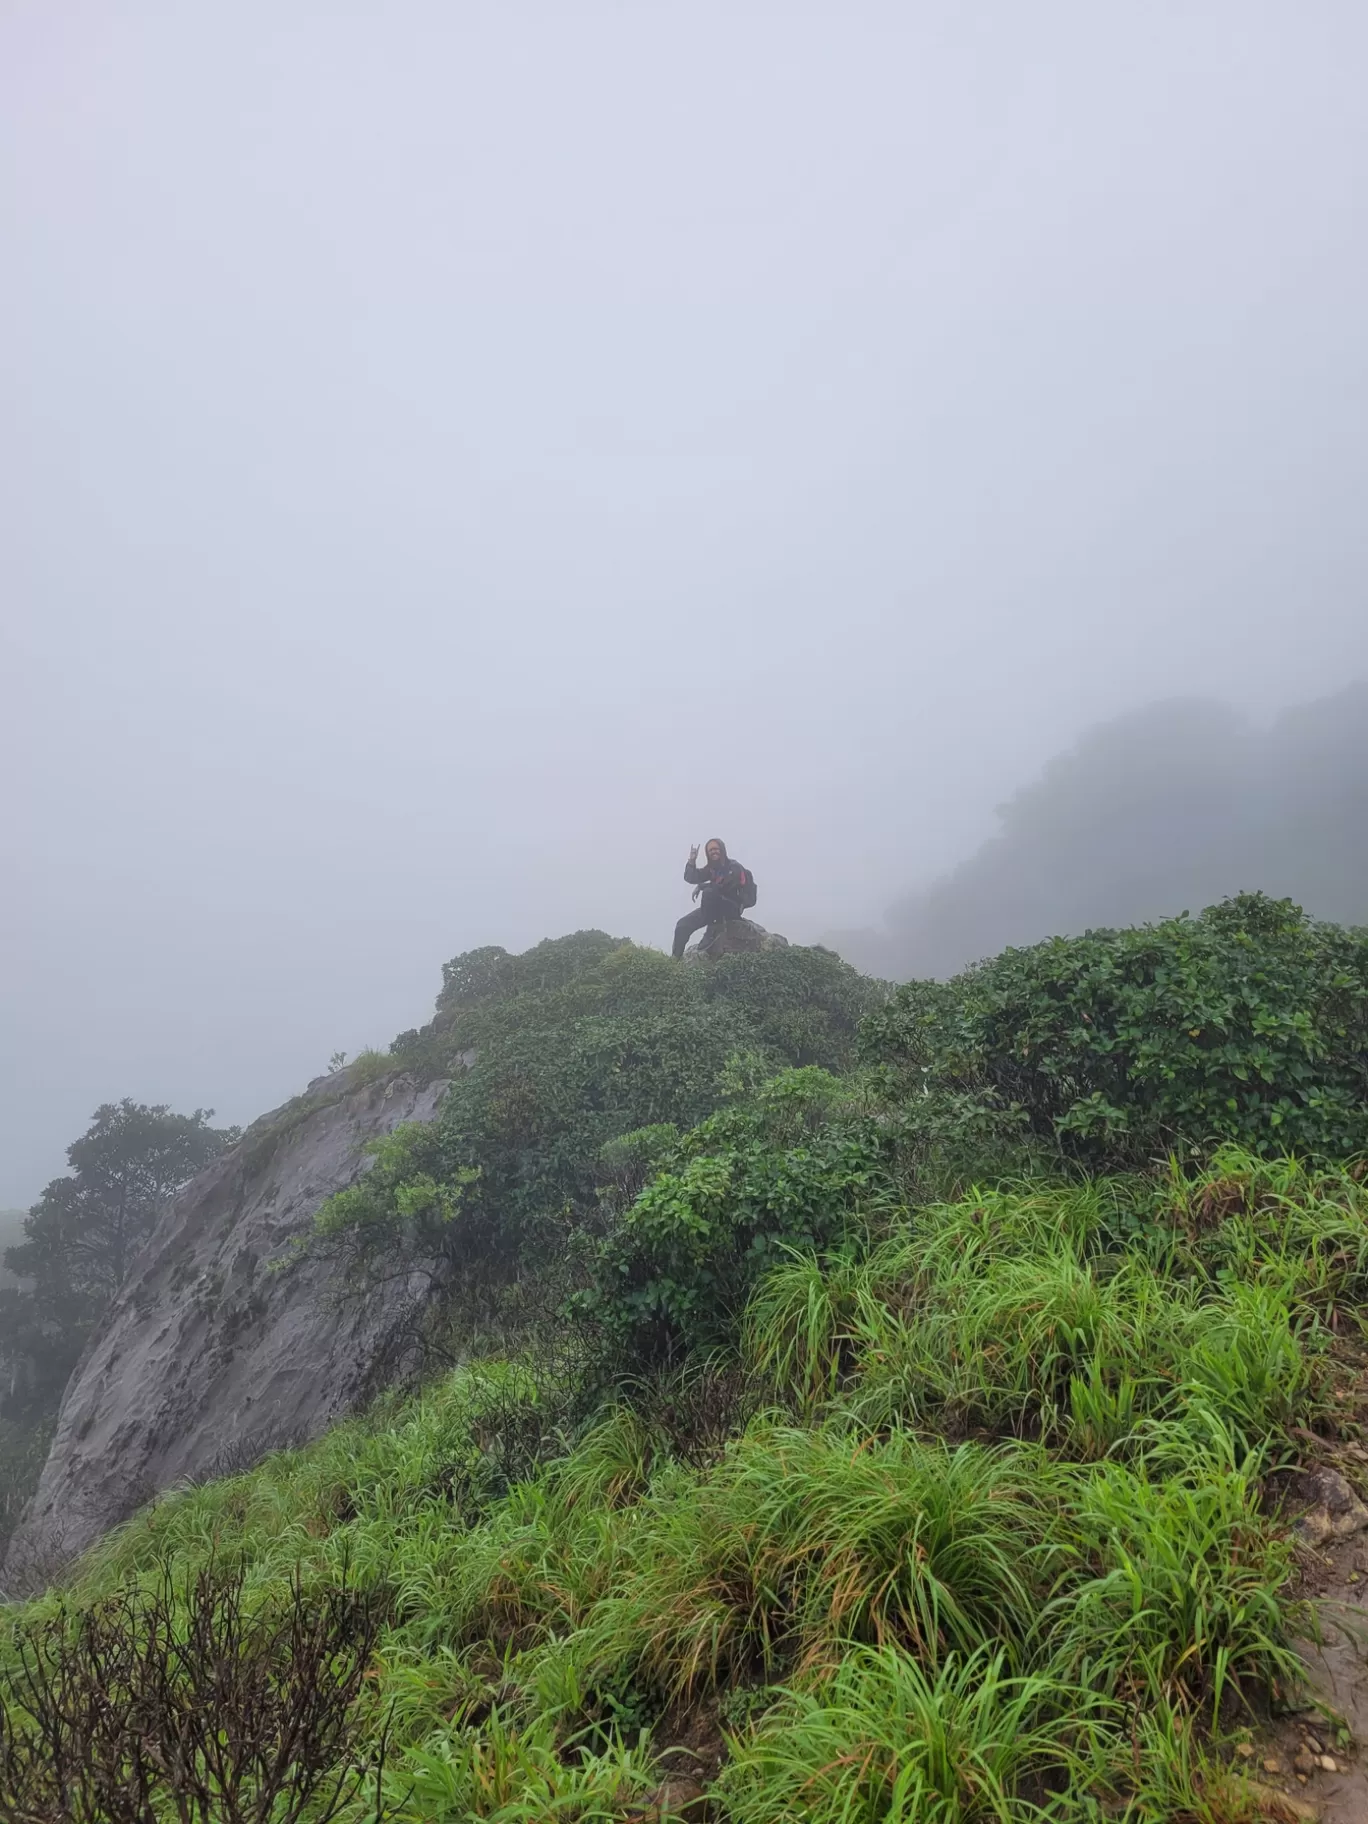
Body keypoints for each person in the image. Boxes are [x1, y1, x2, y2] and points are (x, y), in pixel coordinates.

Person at [672, 838, 753, 959]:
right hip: (712, 909)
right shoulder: (712, 869)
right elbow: (692, 877)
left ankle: (712, 931)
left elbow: (726, 886)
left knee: (709, 893)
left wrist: (702, 886)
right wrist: (691, 861)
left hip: (731, 907)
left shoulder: (734, 867)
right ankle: (675, 959)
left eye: (716, 848)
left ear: (722, 849)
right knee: (683, 925)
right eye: (710, 850)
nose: (713, 852)